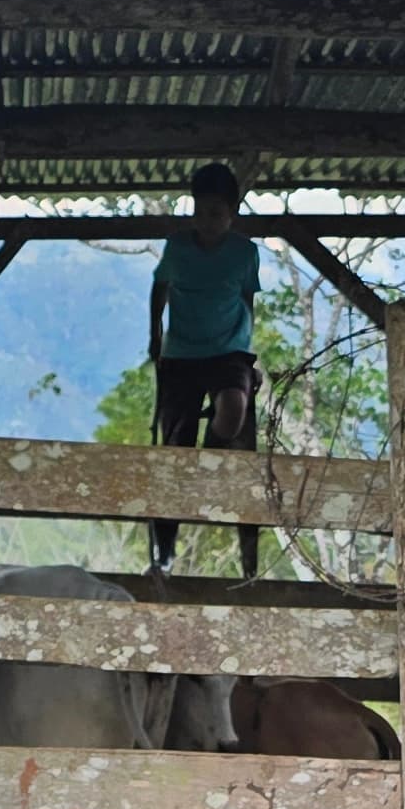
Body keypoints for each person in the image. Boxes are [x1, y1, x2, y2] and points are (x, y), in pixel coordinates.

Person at [148, 161, 260, 572]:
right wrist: (155, 336)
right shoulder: (178, 247)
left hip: (229, 350)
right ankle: (166, 550)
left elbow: (248, 301)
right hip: (181, 353)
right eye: (200, 212)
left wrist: (250, 356)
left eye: (216, 213)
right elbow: (159, 287)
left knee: (232, 410)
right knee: (174, 447)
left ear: (232, 213)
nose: (207, 222)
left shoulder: (245, 253)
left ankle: (208, 464)